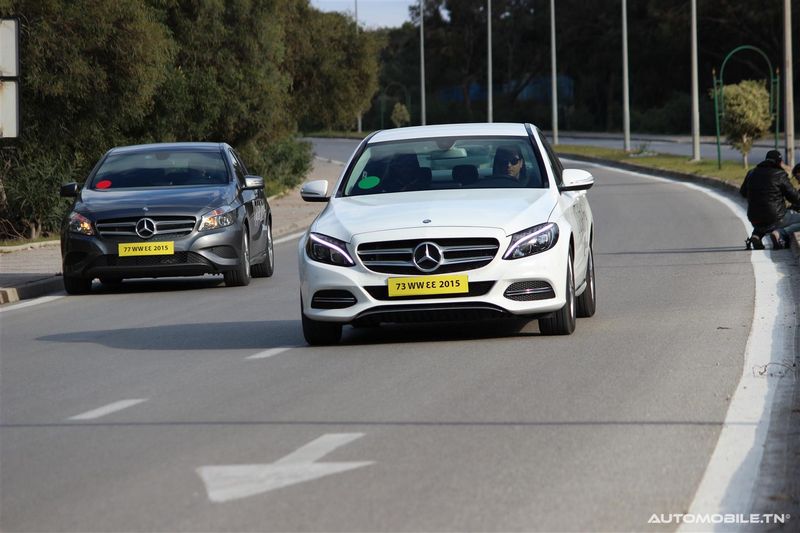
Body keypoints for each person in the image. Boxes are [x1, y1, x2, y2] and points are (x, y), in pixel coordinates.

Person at [740, 150, 800, 249]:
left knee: (763, 219)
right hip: (776, 217)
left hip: (754, 218)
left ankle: (756, 236)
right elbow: (795, 197)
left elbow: (743, 192)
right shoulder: (780, 175)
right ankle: (780, 233)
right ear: (779, 162)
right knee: (776, 219)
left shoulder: (751, 173)